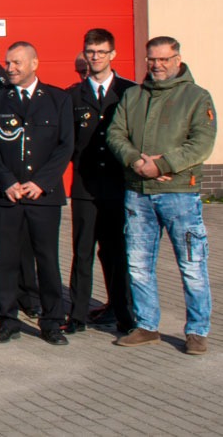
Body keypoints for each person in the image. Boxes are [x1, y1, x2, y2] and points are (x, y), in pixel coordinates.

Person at [108, 36, 215, 355]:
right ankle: (146, 326)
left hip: (180, 194)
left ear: (177, 59)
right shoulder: (133, 95)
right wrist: (136, 162)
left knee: (192, 264)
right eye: (152, 59)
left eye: (164, 59)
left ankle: (197, 331)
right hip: (138, 193)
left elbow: (202, 143)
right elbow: (115, 133)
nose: (157, 65)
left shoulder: (196, 97)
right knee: (139, 264)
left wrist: (163, 165)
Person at [0, 42, 73, 345]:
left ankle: (52, 322)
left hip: (42, 196)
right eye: (8, 63)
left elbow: (65, 146)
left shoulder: (58, 99)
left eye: (18, 62)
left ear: (34, 63)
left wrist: (41, 182)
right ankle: (7, 321)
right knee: (6, 261)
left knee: (47, 260)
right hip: (6, 195)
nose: (11, 68)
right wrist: (6, 182)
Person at [64, 29, 136, 335]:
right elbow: (66, 141)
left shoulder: (129, 92)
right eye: (91, 52)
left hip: (118, 186)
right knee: (82, 252)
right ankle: (77, 315)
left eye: (101, 52)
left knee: (116, 252)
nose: (95, 57)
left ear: (112, 54)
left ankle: (123, 314)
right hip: (85, 186)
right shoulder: (72, 95)